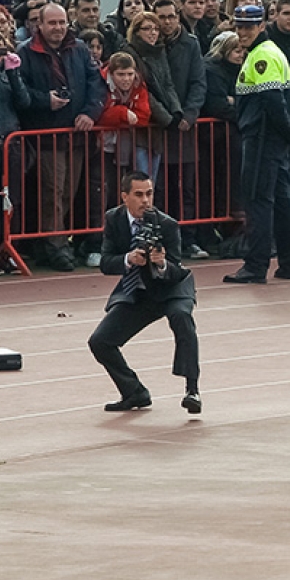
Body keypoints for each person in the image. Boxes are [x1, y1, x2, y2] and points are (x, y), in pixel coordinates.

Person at [87, 171, 201, 414]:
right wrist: (129, 259)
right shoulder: (114, 219)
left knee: (181, 317)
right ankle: (134, 392)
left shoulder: (167, 224)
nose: (145, 201)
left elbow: (176, 266)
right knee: (100, 341)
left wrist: (161, 263)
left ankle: (193, 390)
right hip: (138, 292)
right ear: (124, 197)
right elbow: (106, 263)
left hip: (172, 289)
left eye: (149, 194)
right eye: (138, 195)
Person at [225, 4, 290, 283]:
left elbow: (274, 101)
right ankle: (288, 264)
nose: (242, 31)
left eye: (248, 26)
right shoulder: (271, 53)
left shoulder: (263, 56)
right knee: (282, 202)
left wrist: (286, 131)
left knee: (258, 201)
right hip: (271, 139)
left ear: (261, 26)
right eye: (239, 26)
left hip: (261, 138)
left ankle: (256, 266)